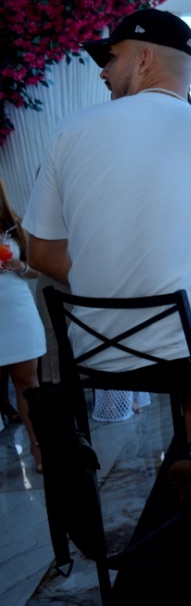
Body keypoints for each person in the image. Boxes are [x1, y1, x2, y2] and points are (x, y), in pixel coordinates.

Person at [22, 8, 191, 508]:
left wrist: (106, 281)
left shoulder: (70, 133)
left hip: (93, 354)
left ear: (142, 60)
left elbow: (40, 253)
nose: (102, 71)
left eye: (110, 58)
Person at [0, 178, 45, 473]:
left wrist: (22, 266)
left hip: (17, 311)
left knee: (27, 384)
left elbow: (37, 268)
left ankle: (39, 448)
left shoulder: (15, 225)